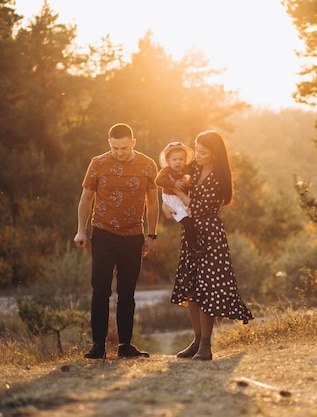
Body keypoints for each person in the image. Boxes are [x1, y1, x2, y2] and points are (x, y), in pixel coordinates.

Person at [163, 130, 253, 361]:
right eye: (196, 149)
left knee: (207, 289)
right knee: (192, 287)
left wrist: (180, 196)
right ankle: (196, 340)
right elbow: (169, 175)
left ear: (215, 154)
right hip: (191, 232)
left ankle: (206, 345)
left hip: (210, 234)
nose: (198, 155)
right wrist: (165, 202)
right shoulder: (193, 168)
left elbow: (201, 207)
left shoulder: (219, 177)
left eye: (203, 152)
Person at [74, 123, 159, 359]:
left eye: (123, 148)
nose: (119, 152)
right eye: (114, 148)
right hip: (102, 232)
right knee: (100, 289)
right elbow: (86, 198)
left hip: (133, 236)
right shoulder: (98, 163)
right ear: (108, 143)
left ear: (133, 142)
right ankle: (98, 345)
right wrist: (81, 230)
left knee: (127, 292)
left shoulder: (147, 165)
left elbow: (153, 202)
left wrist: (152, 235)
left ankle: (125, 346)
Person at [155, 141, 200, 252]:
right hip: (171, 199)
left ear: (185, 161)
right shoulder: (166, 171)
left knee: (192, 220)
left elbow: (188, 180)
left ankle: (194, 243)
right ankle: (193, 247)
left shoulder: (186, 170)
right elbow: (158, 181)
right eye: (174, 160)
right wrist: (173, 184)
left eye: (181, 159)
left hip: (181, 198)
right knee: (187, 222)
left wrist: (187, 182)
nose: (178, 162)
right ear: (168, 161)